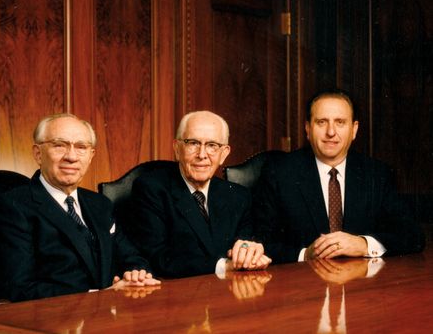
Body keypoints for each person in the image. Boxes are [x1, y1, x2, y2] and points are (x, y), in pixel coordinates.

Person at [0, 113, 159, 301]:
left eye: (81, 147)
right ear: (38, 154)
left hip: (108, 317)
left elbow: (132, 257)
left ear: (91, 156)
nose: (71, 157)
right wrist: (99, 296)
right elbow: (20, 288)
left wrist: (136, 275)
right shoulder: (13, 207)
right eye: (59, 145)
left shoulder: (100, 204)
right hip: (53, 322)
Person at [252, 90, 425, 263]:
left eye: (340, 122)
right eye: (321, 122)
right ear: (307, 129)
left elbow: (413, 235)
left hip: (362, 284)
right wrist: (305, 255)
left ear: (354, 129)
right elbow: (258, 240)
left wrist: (364, 244)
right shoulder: (279, 172)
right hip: (303, 283)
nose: (331, 132)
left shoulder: (377, 174)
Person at [126, 110, 271, 278]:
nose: (202, 155)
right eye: (193, 143)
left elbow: (244, 244)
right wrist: (223, 266)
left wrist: (249, 254)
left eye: (212, 145)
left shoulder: (239, 196)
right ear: (177, 148)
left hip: (231, 293)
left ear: (224, 154)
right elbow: (158, 258)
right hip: (178, 297)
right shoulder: (151, 189)